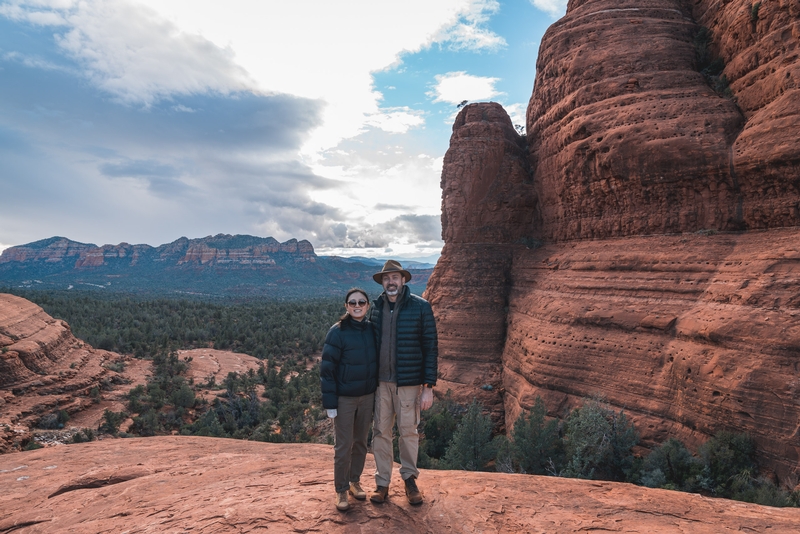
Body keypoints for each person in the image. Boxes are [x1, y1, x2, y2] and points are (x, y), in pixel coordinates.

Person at [368, 260, 438, 505]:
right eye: (387, 278)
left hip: (408, 384)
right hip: (380, 384)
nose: (391, 282)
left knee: (408, 432)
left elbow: (430, 348)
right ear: (382, 282)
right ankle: (382, 483)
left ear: (404, 280)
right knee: (381, 433)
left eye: (395, 277)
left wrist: (428, 387)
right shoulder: (376, 307)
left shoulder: (420, 307)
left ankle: (409, 479)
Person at [320, 288, 378, 512]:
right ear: (346, 306)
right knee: (343, 446)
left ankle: (355, 481)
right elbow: (327, 370)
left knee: (361, 443)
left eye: (361, 302)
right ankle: (341, 489)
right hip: (344, 399)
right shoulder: (337, 332)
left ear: (367, 305)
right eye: (352, 302)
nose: (357, 305)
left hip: (367, 396)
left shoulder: (372, 329)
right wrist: (330, 404)